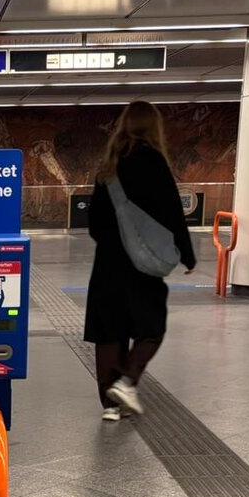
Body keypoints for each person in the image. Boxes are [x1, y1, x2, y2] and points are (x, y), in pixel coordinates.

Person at [84, 100, 195, 422]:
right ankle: (128, 380)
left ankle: (110, 405)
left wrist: (111, 245)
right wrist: (186, 254)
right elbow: (174, 213)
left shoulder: (109, 166)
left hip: (107, 265)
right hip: (142, 266)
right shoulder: (155, 162)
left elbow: (94, 223)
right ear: (153, 127)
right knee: (151, 326)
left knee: (109, 331)